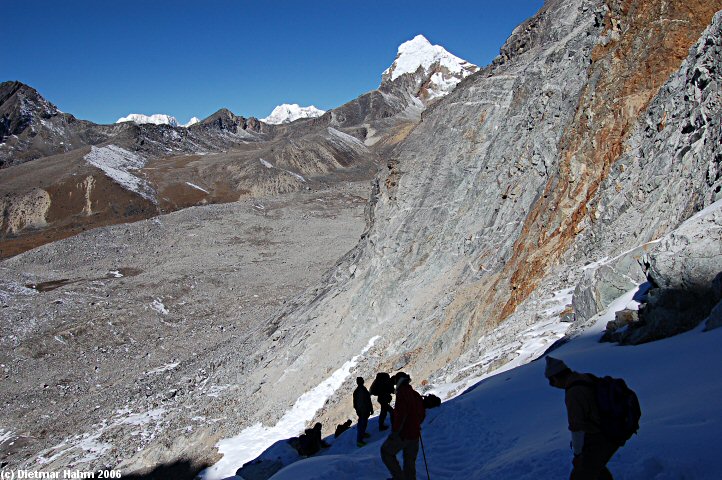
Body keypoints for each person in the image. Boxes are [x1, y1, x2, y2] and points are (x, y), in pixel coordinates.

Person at [545, 356, 621, 480]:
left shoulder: (573, 393)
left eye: (551, 382)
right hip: (610, 429)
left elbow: (577, 426)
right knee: (596, 469)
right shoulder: (584, 378)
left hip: (599, 435)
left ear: (555, 377)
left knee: (582, 473)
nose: (553, 385)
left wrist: (578, 453)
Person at [381, 372, 425, 480]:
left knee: (386, 452)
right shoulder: (414, 394)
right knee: (409, 462)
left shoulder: (402, 393)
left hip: (404, 434)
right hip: (415, 434)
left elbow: (401, 415)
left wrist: (395, 433)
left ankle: (399, 478)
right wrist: (415, 424)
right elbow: (422, 413)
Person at [353, 377, 373, 447]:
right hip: (364, 410)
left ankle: (362, 435)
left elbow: (354, 403)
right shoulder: (363, 390)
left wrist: (357, 410)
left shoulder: (356, 391)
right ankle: (359, 440)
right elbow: (368, 400)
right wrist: (371, 409)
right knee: (363, 424)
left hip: (360, 410)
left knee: (361, 423)